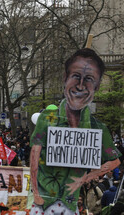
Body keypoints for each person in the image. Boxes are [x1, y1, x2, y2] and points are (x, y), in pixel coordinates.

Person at [30, 48, 121, 214]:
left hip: (70, 207)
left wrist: (84, 179)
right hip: (42, 205)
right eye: (76, 76)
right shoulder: (47, 119)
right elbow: (34, 156)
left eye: (89, 79)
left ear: (97, 86)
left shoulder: (98, 128)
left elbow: (115, 162)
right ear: (65, 78)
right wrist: (36, 193)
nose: (80, 85)